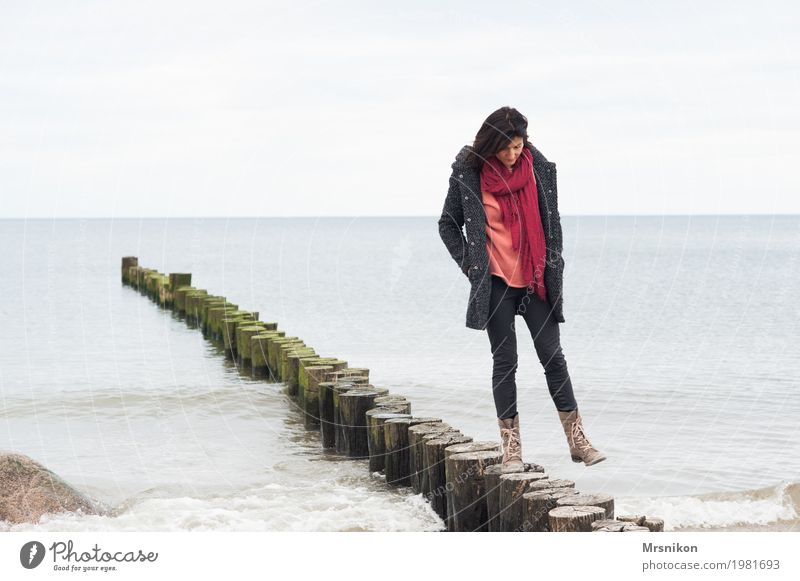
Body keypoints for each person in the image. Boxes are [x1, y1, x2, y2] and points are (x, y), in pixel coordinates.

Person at [437, 106, 606, 473]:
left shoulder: (539, 170)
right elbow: (447, 225)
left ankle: (577, 440)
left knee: (553, 357)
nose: (513, 155)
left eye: (518, 146)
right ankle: (511, 448)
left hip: (535, 277)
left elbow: (553, 224)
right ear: (491, 144)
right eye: (506, 148)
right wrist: (471, 265)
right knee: (505, 363)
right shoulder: (469, 173)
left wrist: (553, 260)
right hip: (497, 282)